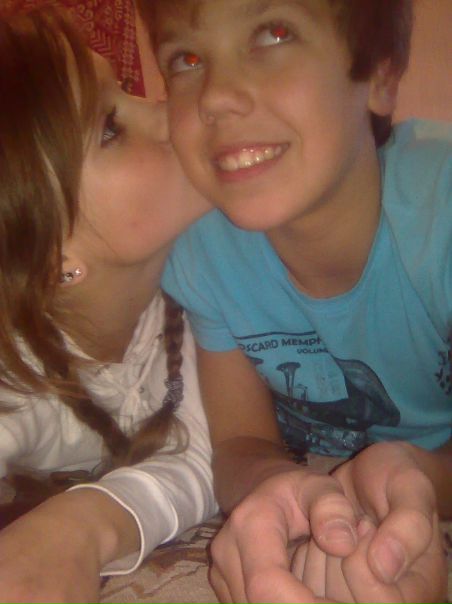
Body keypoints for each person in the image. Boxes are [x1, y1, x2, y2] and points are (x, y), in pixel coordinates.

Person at [137, 0, 452, 602]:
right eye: (187, 59)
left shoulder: (440, 213)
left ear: (380, 74)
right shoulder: (201, 247)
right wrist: (282, 489)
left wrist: (424, 476)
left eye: (273, 33)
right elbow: (240, 443)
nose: (216, 96)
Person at [0, 6, 217, 602]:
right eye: (110, 128)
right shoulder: (17, 366)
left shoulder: (214, 272)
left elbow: (204, 455)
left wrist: (84, 525)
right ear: (54, 259)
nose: (170, 110)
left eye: (127, 88)